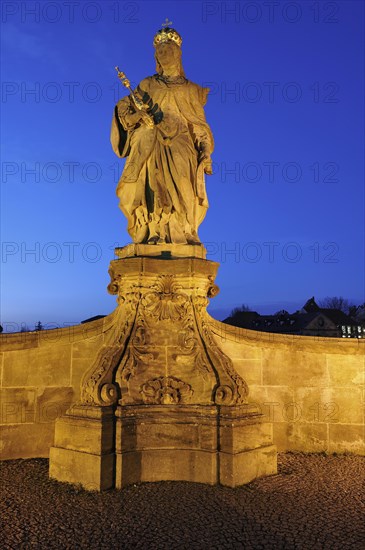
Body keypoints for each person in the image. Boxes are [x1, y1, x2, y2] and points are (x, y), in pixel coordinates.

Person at [111, 24, 214, 245]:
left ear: (178, 53)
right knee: (153, 186)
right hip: (152, 141)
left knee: (184, 188)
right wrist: (139, 117)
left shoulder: (191, 89)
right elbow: (125, 109)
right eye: (159, 51)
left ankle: (186, 231)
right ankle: (153, 230)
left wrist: (205, 152)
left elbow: (199, 126)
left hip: (182, 144)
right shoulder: (148, 85)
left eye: (167, 49)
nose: (162, 54)